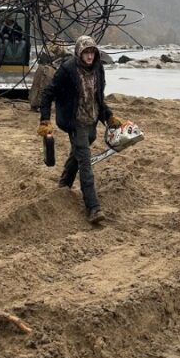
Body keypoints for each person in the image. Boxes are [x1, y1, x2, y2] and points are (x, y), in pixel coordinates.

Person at [38, 35, 122, 225]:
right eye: (86, 52)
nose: (90, 56)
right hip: (74, 121)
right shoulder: (68, 69)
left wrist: (108, 116)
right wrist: (45, 120)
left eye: (92, 52)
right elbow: (48, 93)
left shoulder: (98, 69)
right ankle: (93, 208)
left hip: (91, 120)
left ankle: (64, 184)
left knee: (78, 152)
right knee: (85, 162)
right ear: (79, 53)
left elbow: (98, 97)